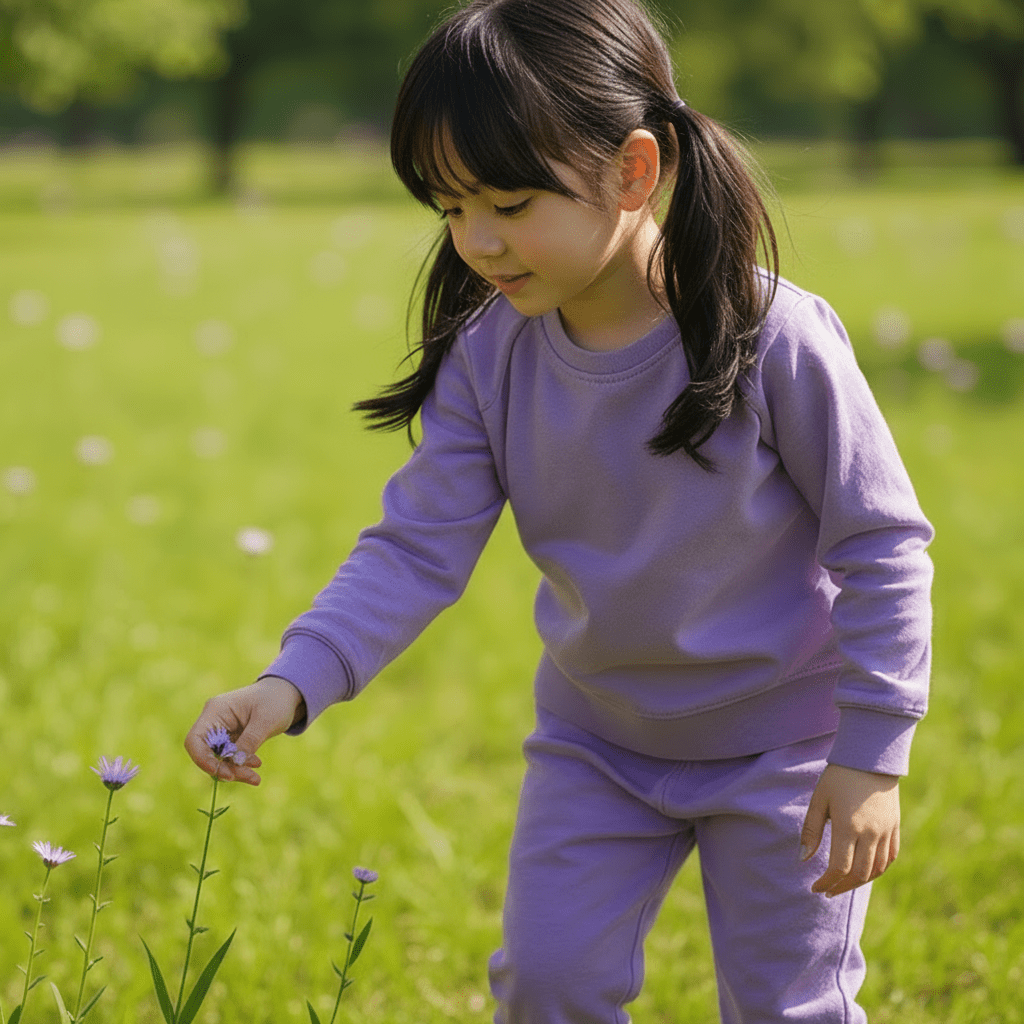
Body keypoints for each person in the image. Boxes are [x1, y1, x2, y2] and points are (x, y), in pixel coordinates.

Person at [185, 1, 934, 1020]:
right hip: (596, 747)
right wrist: (289, 684)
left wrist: (870, 755)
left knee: (784, 1006)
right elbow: (413, 551)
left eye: (509, 200)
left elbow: (881, 545)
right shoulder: (490, 354)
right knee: (548, 987)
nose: (479, 241)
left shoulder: (774, 338)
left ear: (633, 170)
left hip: (786, 751)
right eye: (450, 208)